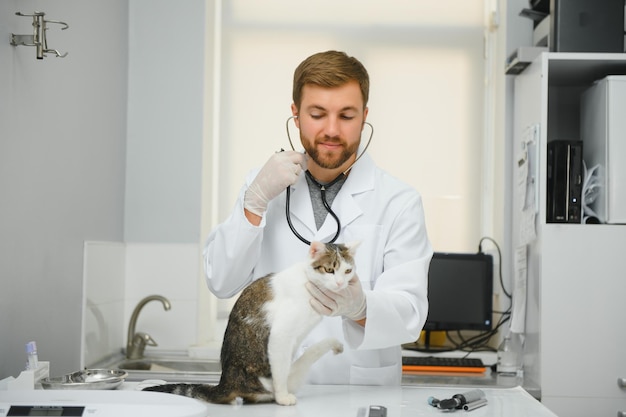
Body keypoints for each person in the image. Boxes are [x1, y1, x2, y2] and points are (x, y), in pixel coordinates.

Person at [203, 50, 432, 385]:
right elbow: (221, 281)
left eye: (347, 115)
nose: (331, 129)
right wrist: (253, 203)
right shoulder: (262, 187)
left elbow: (410, 316)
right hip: (272, 396)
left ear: (365, 115)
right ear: (295, 115)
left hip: (359, 396)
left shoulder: (398, 200)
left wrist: (359, 307)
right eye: (318, 113)